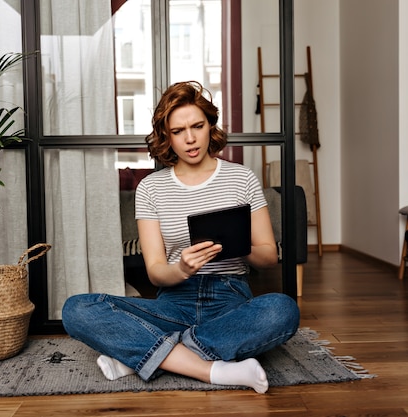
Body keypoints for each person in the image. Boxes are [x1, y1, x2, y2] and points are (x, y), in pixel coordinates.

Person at [62, 81, 300, 394]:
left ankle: (144, 357)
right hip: (174, 301)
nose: (190, 139)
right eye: (178, 131)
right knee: (76, 309)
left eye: (197, 126)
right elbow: (156, 271)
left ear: (210, 126)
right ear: (167, 137)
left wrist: (238, 245)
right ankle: (208, 368)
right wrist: (182, 269)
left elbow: (269, 257)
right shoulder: (151, 188)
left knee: (282, 309)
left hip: (230, 300)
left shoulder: (242, 178)